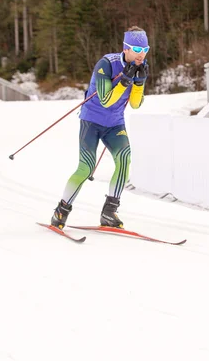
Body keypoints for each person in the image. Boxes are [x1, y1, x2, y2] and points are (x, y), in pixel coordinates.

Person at [51, 26, 149, 230]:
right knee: (85, 168)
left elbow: (135, 104)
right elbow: (105, 100)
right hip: (92, 121)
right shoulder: (106, 64)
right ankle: (62, 210)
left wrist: (139, 82)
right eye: (138, 50)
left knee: (124, 159)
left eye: (146, 49)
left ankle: (109, 212)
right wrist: (124, 81)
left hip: (114, 123)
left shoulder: (141, 65)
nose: (142, 55)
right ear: (126, 49)